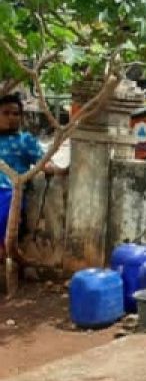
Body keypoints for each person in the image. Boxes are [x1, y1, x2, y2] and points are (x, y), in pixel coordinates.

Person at [0, 93, 65, 259]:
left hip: (10, 191)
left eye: (16, 114)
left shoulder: (25, 140)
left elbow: (43, 163)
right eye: (5, 113)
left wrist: (60, 170)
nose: (11, 118)